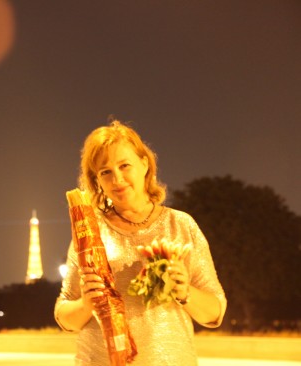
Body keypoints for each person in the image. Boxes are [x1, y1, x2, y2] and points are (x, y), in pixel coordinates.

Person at [54, 119, 226, 365]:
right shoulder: (90, 232)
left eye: (125, 166)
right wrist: (85, 304)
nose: (118, 179)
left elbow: (215, 312)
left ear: (144, 164)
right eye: (105, 172)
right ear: (97, 181)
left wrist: (184, 290)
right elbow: (64, 317)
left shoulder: (180, 225)